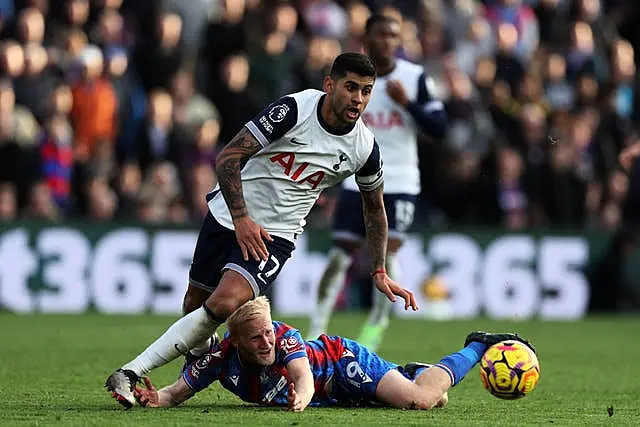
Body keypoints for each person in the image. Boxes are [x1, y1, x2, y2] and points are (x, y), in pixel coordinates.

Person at [105, 52, 418, 409]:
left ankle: (130, 372)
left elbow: (374, 209)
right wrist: (241, 218)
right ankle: (193, 374)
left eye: (366, 91)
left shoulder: (364, 147)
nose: (358, 99)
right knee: (194, 306)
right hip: (228, 215)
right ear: (329, 85)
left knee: (222, 303)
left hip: (275, 236)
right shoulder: (294, 111)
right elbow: (228, 157)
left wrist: (379, 269)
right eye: (350, 88)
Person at [308, 15, 447, 350]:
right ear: (366, 38)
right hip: (354, 181)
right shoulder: (349, 80)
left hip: (399, 182)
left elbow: (440, 128)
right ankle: (315, 330)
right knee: (339, 257)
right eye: (381, 34)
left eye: (394, 35)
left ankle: (376, 324)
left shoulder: (413, 78)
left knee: (384, 254)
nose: (388, 41)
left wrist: (407, 104)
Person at [131, 296, 536, 411]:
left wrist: (302, 396)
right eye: (256, 338)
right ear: (234, 341)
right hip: (335, 396)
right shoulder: (220, 359)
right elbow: (175, 394)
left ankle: (477, 345)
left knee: (423, 399)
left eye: (268, 332)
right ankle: (413, 370)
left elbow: (302, 374)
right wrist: (154, 398)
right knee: (436, 393)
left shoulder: (285, 338)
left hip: (342, 366)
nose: (266, 342)